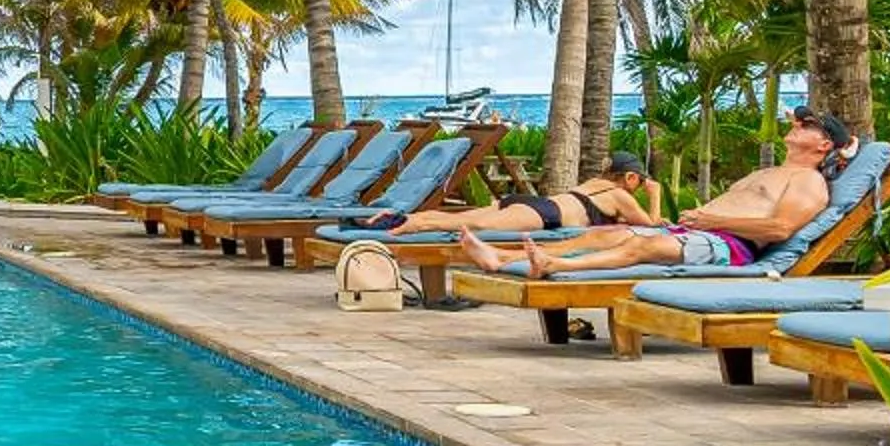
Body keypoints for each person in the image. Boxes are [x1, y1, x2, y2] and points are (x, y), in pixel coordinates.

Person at [456, 112, 852, 279]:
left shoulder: (809, 182)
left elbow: (780, 229)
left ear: (824, 146)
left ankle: (555, 266)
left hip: (729, 247)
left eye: (809, 124)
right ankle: (502, 257)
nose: (797, 123)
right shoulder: (769, 171)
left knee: (639, 245)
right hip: (697, 233)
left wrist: (713, 220)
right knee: (604, 234)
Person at [349, 153, 663, 235]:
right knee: (467, 224)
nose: (640, 186)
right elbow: (652, 225)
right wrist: (655, 194)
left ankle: (394, 218)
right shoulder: (620, 195)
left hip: (534, 204)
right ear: (630, 177)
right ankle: (403, 227)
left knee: (461, 217)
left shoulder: (594, 183)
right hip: (544, 214)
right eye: (640, 182)